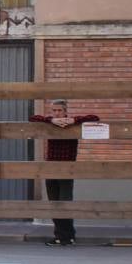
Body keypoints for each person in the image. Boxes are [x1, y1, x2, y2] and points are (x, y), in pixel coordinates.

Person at [29, 99, 99, 246]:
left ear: (65, 111)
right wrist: (51, 120)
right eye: (54, 110)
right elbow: (32, 118)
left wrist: (73, 120)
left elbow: (94, 117)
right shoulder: (49, 123)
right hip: (51, 168)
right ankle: (60, 236)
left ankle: (68, 236)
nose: (57, 113)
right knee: (54, 203)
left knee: (64, 203)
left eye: (59, 110)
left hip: (67, 170)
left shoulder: (73, 123)